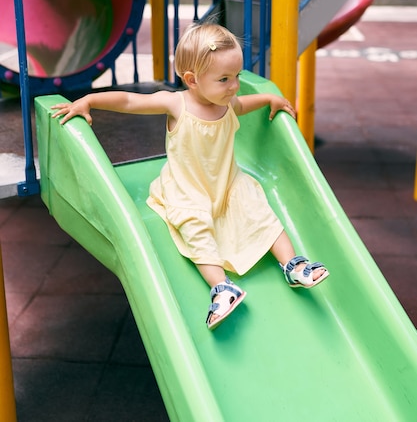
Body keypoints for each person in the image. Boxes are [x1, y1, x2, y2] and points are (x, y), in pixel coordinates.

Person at [52, 22, 329, 330]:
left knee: (259, 210)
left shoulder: (227, 103)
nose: (234, 86)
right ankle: (222, 288)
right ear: (192, 80)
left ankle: (292, 265)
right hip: (187, 188)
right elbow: (131, 101)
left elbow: (244, 104)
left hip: (227, 183)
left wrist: (268, 100)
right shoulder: (176, 104)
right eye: (224, 79)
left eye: (236, 76)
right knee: (195, 227)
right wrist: (89, 101)